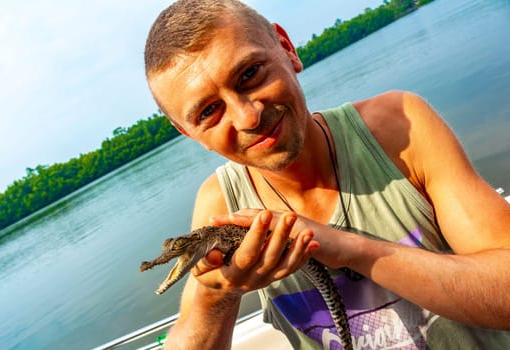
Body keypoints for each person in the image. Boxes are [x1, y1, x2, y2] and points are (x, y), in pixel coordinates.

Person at [143, 0, 510, 348]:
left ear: (287, 49)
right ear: (189, 133)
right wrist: (217, 294)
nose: (247, 117)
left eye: (250, 74)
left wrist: (348, 248)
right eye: (209, 111)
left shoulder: (399, 129)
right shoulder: (221, 202)